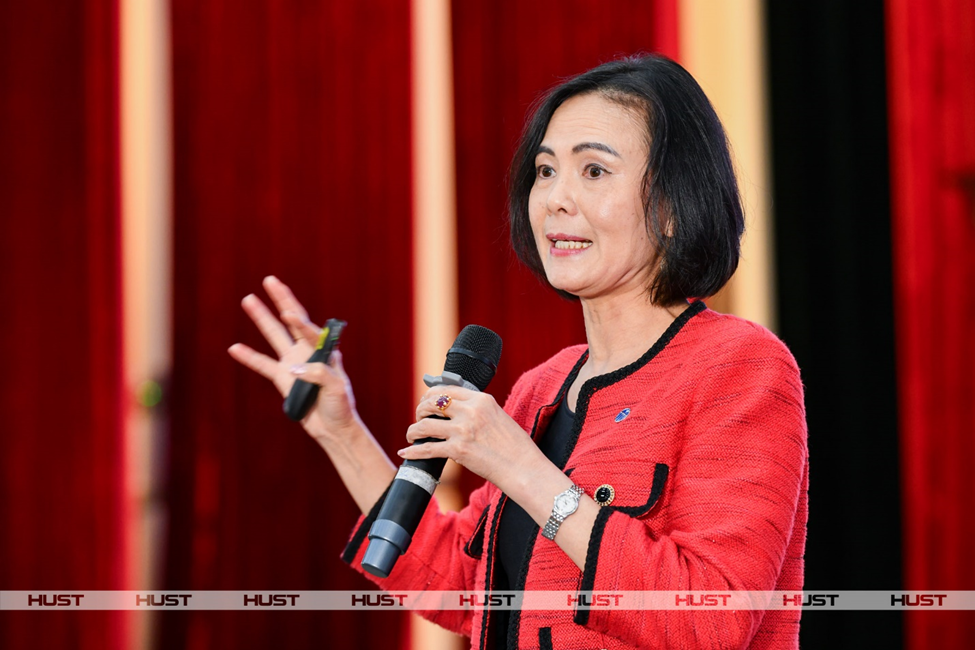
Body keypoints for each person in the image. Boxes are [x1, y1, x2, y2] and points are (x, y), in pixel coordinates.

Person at [229, 54, 808, 650]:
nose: (554, 198)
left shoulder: (740, 366)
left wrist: (522, 469)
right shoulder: (543, 387)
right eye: (545, 170)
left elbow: (712, 619)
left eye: (594, 170)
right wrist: (341, 429)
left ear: (672, 206)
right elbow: (459, 584)